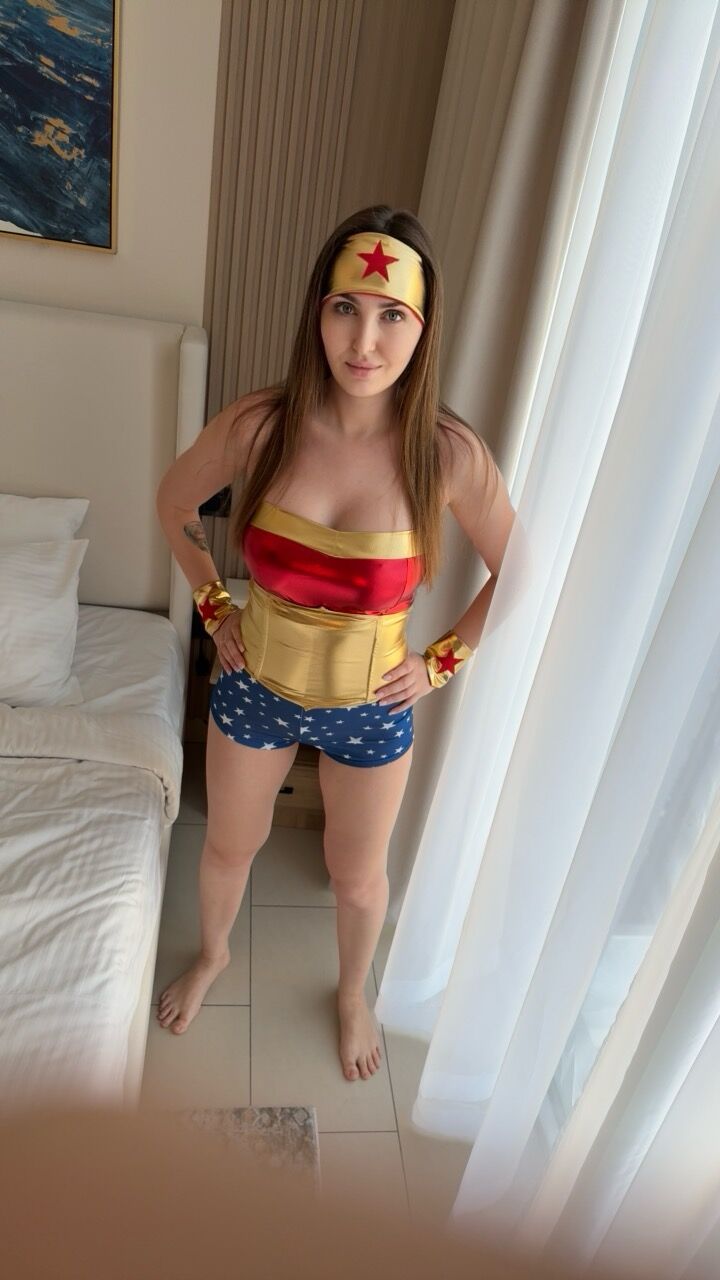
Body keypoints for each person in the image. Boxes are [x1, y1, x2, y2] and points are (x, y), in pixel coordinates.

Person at [155, 204, 516, 1082]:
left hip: (371, 709)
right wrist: (214, 608)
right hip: (254, 689)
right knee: (228, 848)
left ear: (424, 328)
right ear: (317, 310)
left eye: (393, 314)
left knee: (358, 879)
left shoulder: (447, 454)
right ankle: (213, 956)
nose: (365, 340)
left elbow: (520, 573)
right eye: (346, 307)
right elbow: (174, 501)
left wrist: (438, 666)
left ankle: (354, 992)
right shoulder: (260, 425)